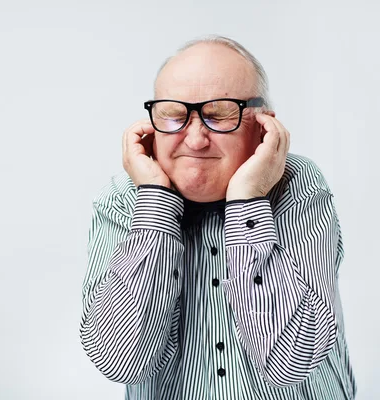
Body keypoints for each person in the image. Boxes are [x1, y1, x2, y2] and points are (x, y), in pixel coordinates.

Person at [80, 35, 356, 400]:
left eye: (219, 114)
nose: (195, 140)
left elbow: (291, 361)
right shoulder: (121, 199)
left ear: (263, 128)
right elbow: (120, 360)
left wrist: (248, 199)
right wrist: (156, 205)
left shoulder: (298, 186)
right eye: (174, 115)